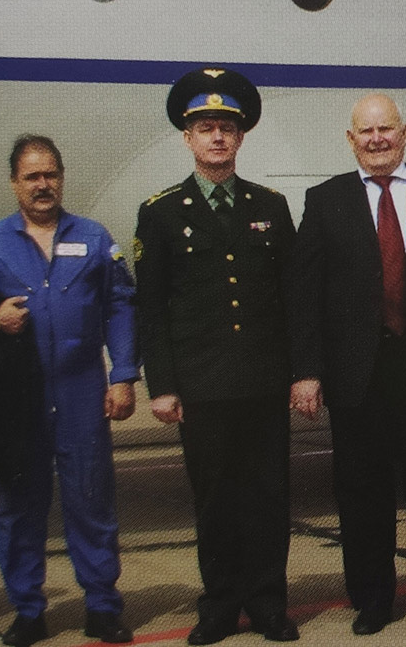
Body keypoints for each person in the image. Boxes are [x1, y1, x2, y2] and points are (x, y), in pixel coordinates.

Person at [289, 94, 406, 635]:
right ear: (351, 140)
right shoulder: (325, 200)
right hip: (357, 376)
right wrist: (307, 370)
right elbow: (305, 295)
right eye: (366, 132)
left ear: (404, 133)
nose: (377, 140)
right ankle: (372, 599)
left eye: (386, 129)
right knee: (362, 494)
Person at [133, 68, 299, 644]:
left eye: (226, 128)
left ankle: (269, 604)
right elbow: (151, 309)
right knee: (215, 501)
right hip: (202, 385)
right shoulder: (161, 212)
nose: (218, 137)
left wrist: (302, 372)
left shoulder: (271, 206)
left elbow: (292, 298)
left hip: (263, 381)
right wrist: (162, 384)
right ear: (188, 138)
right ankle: (221, 605)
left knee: (269, 497)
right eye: (206, 128)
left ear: (241, 136)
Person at [0, 135, 137, 646]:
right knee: (18, 505)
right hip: (19, 401)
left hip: (82, 392)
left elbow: (121, 305)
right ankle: (28, 610)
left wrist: (123, 374)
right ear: (14, 183)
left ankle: (102, 606)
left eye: (50, 174)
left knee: (91, 500)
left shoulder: (95, 238)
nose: (43, 185)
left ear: (61, 177)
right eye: (32, 176)